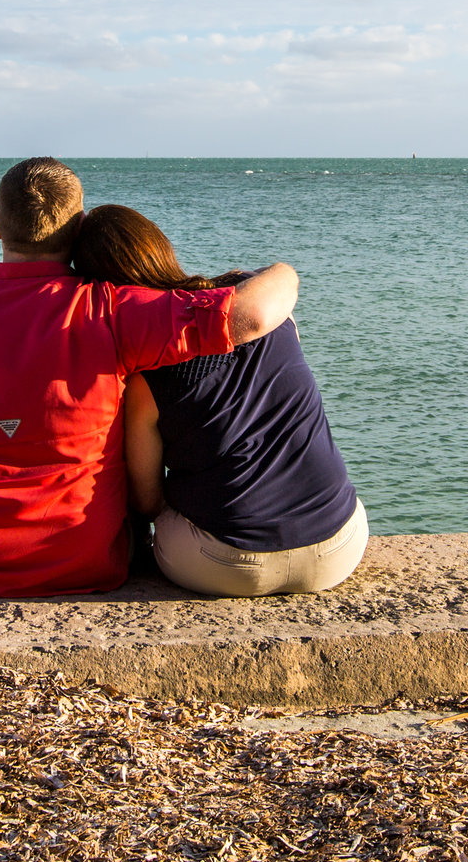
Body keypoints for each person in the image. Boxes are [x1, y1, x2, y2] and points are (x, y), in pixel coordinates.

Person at [0, 158, 300, 597]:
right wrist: (285, 269)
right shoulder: (114, 310)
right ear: (77, 226)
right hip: (88, 561)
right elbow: (250, 316)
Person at [65, 204, 367, 597]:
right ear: (162, 247)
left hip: (227, 566)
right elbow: (279, 289)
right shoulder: (259, 302)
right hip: (339, 546)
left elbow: (148, 500)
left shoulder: (145, 376)